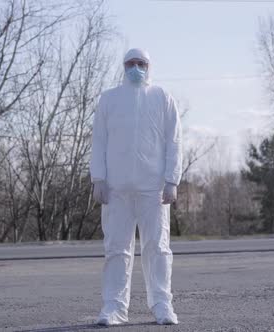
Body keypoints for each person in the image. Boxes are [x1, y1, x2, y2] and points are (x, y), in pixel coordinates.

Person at [90, 48, 183, 326]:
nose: (135, 68)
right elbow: (99, 141)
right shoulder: (109, 99)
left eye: (141, 63)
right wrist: (98, 178)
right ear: (123, 67)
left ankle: (162, 305)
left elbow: (174, 141)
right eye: (131, 63)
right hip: (117, 189)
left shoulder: (162, 98)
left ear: (149, 67)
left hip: (153, 189)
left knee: (158, 247)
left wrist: (172, 179)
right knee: (117, 248)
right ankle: (114, 307)